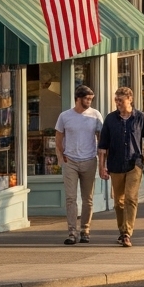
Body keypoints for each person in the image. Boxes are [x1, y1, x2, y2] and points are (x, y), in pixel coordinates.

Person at [96, 87, 144, 248]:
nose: (118, 103)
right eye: (116, 100)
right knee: (119, 201)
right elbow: (103, 145)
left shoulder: (141, 118)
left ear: (130, 99)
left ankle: (127, 233)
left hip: (135, 163)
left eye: (121, 100)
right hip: (116, 163)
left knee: (131, 198)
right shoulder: (110, 119)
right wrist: (101, 166)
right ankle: (121, 231)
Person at [56, 84, 103, 245]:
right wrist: (62, 154)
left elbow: (101, 137)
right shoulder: (65, 116)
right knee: (70, 198)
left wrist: (101, 158)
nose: (89, 101)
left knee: (87, 199)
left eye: (91, 99)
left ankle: (85, 229)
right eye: (87, 99)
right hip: (71, 161)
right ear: (78, 99)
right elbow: (59, 136)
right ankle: (71, 232)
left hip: (89, 160)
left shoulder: (95, 115)